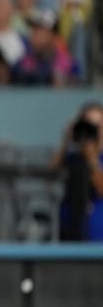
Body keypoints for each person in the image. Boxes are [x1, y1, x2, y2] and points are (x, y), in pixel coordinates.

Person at [51, 102, 103, 241]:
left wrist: (92, 159)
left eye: (96, 126)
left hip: (97, 231)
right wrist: (66, 141)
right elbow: (51, 173)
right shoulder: (73, 157)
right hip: (70, 226)